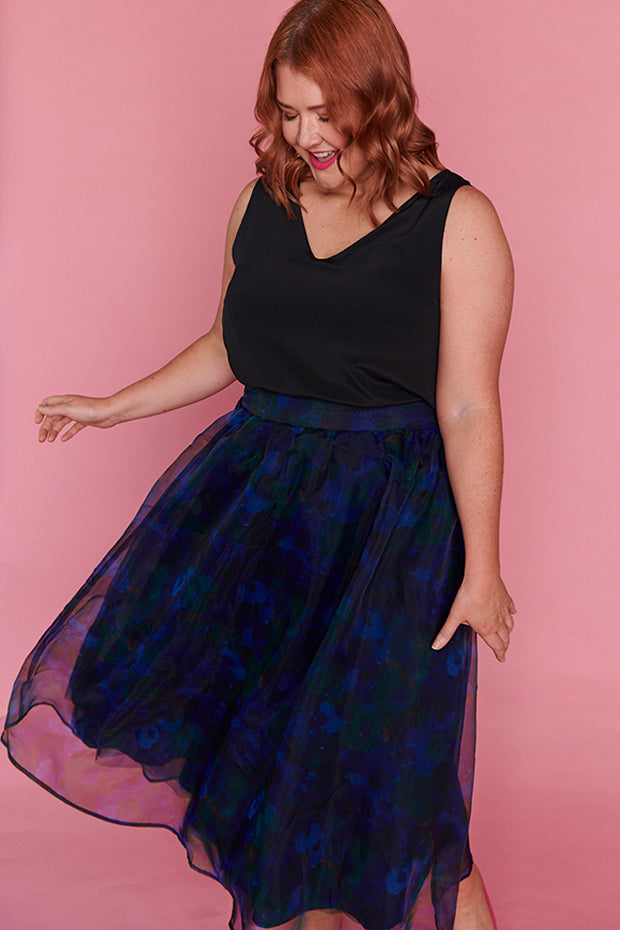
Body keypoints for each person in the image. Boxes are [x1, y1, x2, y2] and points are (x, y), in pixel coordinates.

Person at [2, 1, 516, 929]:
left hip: (390, 530)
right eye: (288, 112)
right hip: (259, 513)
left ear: (379, 96)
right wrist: (113, 405)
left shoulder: (459, 222)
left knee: (402, 803)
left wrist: (482, 569)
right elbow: (229, 346)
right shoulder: (261, 204)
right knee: (282, 795)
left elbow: (469, 404)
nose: (306, 136)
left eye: (326, 112)